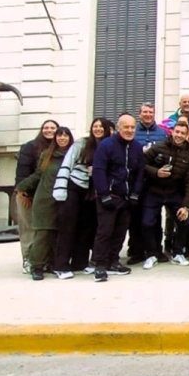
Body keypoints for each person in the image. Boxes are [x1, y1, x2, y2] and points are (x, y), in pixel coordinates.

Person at [52, 118, 113, 278]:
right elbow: (67, 164)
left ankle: (80, 262)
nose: (98, 129)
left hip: (93, 191)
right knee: (68, 227)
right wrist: (60, 189)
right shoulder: (81, 144)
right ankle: (61, 265)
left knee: (86, 228)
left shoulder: (109, 145)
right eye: (95, 126)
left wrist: (99, 171)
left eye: (101, 126)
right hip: (74, 187)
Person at [91, 114, 145, 282]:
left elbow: (139, 172)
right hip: (109, 196)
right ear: (119, 128)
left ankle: (113, 261)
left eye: (132, 127)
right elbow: (99, 170)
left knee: (120, 232)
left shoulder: (137, 147)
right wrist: (104, 194)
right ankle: (100, 265)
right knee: (104, 232)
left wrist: (136, 193)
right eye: (126, 127)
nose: (129, 130)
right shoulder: (106, 145)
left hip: (127, 198)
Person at [16, 127, 74, 280]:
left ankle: (54, 264)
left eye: (65, 135)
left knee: (57, 235)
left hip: (64, 200)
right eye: (59, 135)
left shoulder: (74, 155)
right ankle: (37, 266)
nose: (62, 138)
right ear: (55, 138)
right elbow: (38, 175)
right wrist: (22, 186)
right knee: (43, 234)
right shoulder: (46, 155)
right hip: (45, 200)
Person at [140, 122, 189, 269]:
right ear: (172, 131)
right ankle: (152, 254)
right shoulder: (159, 147)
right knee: (148, 222)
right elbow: (141, 164)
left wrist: (186, 205)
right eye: (177, 132)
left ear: (186, 136)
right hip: (154, 191)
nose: (179, 135)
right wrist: (156, 172)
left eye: (182, 133)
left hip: (174, 192)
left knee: (184, 221)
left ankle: (177, 253)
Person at [14, 119, 59, 272]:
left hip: (47, 196)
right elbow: (22, 172)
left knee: (46, 230)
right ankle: (28, 258)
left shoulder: (59, 149)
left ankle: (45, 260)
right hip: (28, 194)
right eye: (46, 128)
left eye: (53, 128)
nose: (49, 130)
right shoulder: (30, 147)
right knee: (29, 228)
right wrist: (23, 192)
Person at [128, 102, 169, 265]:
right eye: (145, 112)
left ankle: (156, 250)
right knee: (135, 217)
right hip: (134, 179)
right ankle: (136, 250)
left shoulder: (162, 133)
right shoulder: (132, 131)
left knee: (154, 218)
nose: (147, 115)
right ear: (139, 114)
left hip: (154, 180)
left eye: (150, 112)